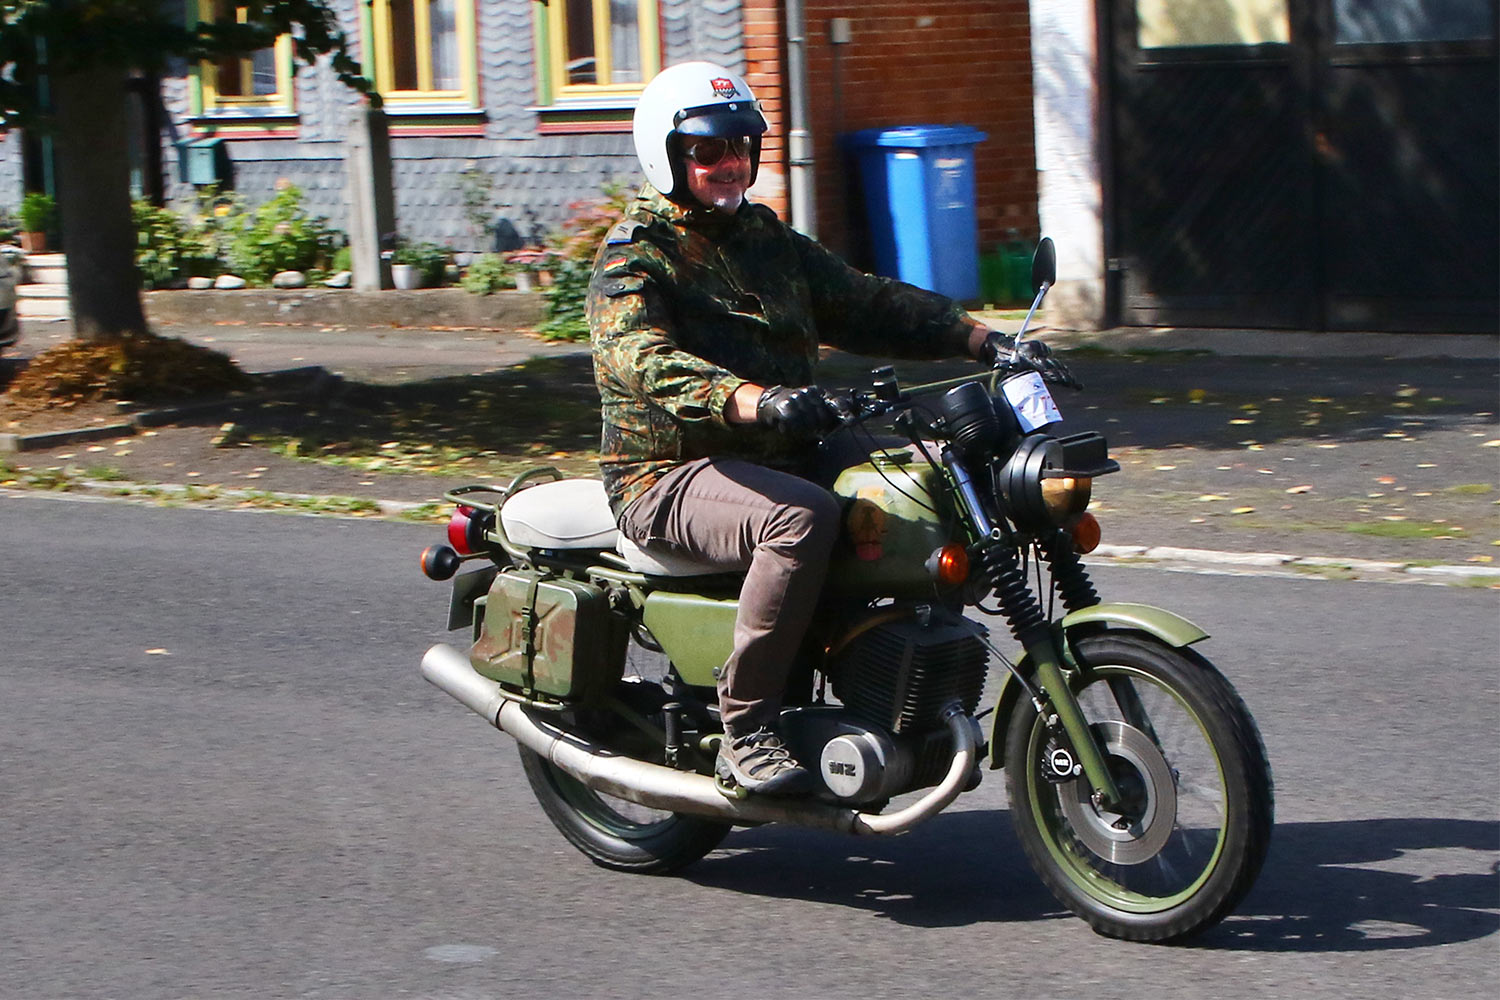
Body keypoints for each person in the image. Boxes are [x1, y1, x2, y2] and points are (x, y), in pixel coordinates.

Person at [587, 61, 1071, 795]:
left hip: (781, 445)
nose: (730, 164)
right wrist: (755, 399)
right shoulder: (635, 256)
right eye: (709, 151)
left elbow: (862, 300)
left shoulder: (763, 236)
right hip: (666, 473)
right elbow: (644, 360)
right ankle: (745, 730)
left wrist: (982, 340)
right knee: (800, 515)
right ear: (669, 155)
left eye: (743, 147)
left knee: (934, 472)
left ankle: (902, 674)